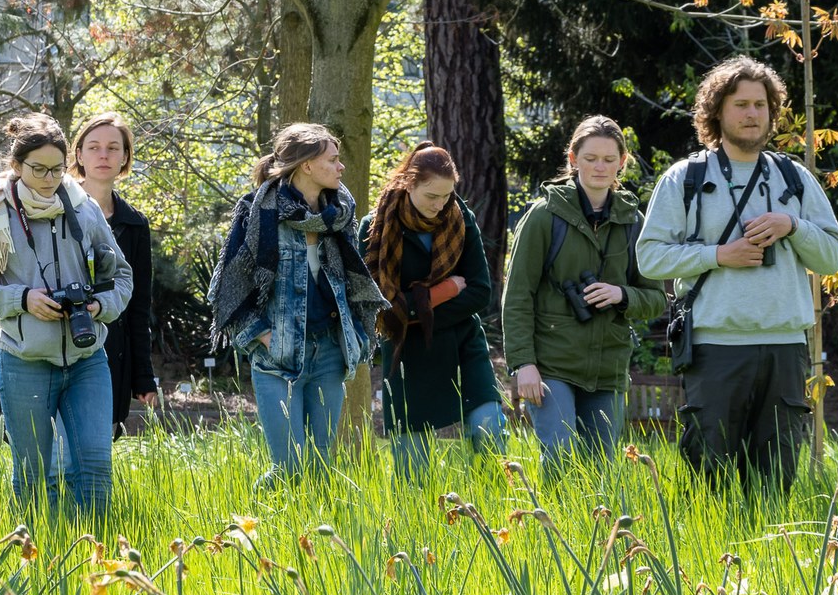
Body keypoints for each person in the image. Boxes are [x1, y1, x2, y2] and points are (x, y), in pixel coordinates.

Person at [637, 56, 838, 496]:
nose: (752, 114)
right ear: (717, 111)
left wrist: (794, 226)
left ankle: (769, 561)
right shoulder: (685, 178)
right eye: (740, 104)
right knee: (707, 483)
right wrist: (719, 255)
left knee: (776, 483)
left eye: (760, 105)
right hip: (715, 348)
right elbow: (649, 259)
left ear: (772, 112)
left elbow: (832, 257)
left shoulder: (795, 178)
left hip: (786, 347)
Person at [0, 113, 133, 515]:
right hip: (25, 364)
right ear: (16, 167)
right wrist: (23, 299)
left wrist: (99, 306)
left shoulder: (84, 210)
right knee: (36, 475)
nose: (49, 178)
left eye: (57, 168)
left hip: (88, 360)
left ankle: (94, 560)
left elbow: (122, 276)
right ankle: (38, 560)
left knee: (94, 468)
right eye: (38, 169)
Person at [208, 123, 387, 486]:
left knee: (321, 470)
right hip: (278, 358)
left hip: (330, 355)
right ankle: (257, 529)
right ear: (306, 165)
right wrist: (263, 336)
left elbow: (352, 280)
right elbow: (227, 289)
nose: (341, 168)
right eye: (333, 160)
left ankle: (314, 538)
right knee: (288, 467)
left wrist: (355, 332)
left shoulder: (338, 214)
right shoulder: (260, 213)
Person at [502, 116, 667, 473]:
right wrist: (523, 364)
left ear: (622, 162)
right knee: (559, 460)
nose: (600, 167)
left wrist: (621, 294)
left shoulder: (633, 221)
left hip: (608, 368)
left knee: (600, 471)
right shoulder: (544, 216)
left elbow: (656, 298)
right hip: (551, 365)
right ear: (573, 159)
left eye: (609, 159)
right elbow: (517, 296)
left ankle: (590, 532)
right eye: (591, 158)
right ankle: (547, 529)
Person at [361, 143, 505, 480]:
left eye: (447, 195)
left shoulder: (460, 217)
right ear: (408, 184)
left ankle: (493, 513)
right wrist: (447, 289)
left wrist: (417, 310)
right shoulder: (375, 227)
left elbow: (481, 291)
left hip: (462, 342)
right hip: (406, 353)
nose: (440, 205)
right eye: (431, 196)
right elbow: (378, 306)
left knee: (490, 430)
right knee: (414, 470)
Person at [72, 112, 156, 434]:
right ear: (79, 155)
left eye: (112, 148)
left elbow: (139, 305)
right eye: (93, 147)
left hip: (113, 353)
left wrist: (143, 375)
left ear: (125, 158)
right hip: (59, 346)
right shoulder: (52, 208)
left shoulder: (135, 224)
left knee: (99, 451)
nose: (103, 155)